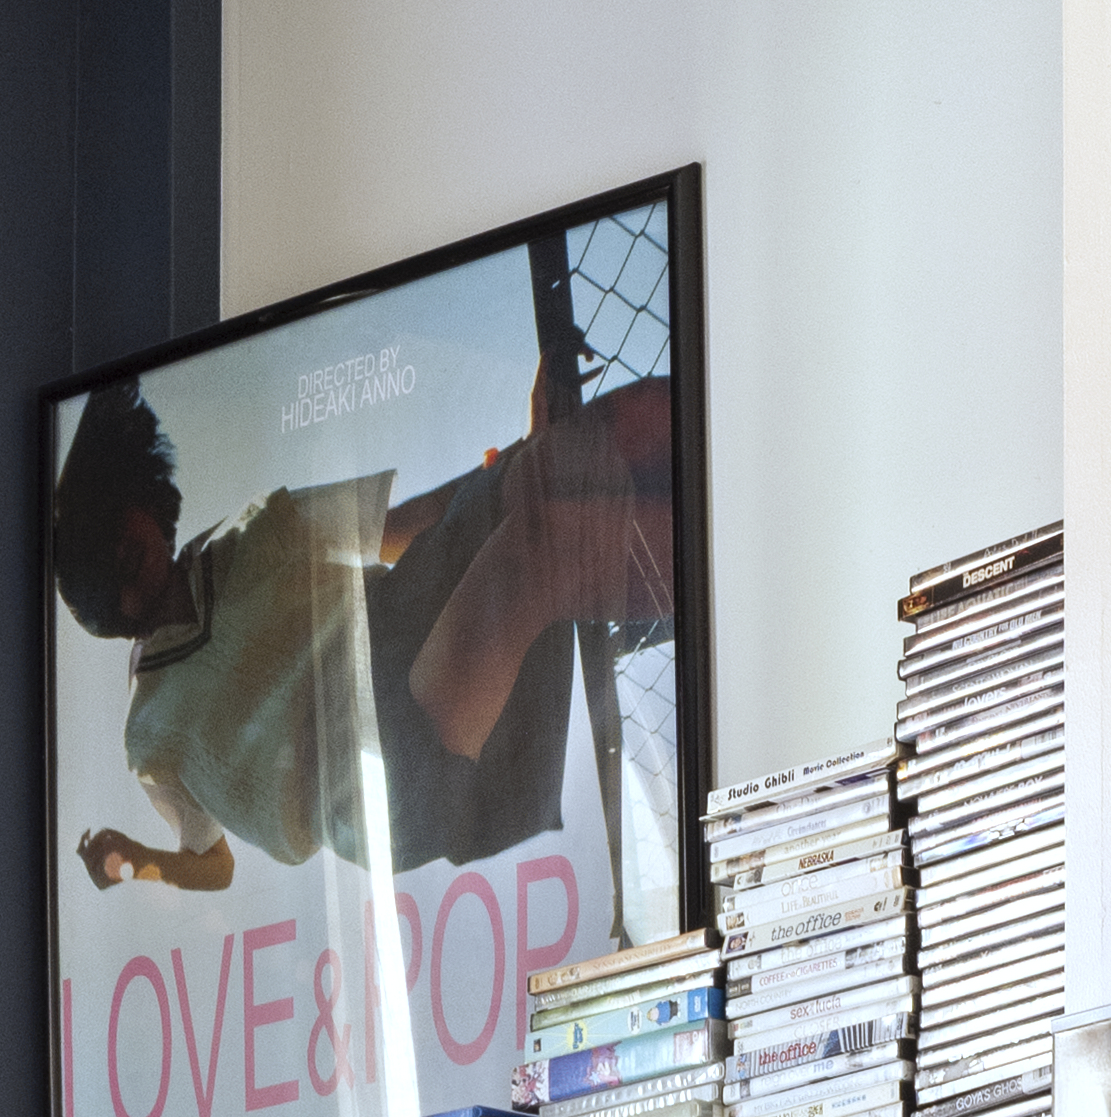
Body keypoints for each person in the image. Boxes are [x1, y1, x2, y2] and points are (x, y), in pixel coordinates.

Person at [53, 346, 682, 896]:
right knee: (541, 546)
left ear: (137, 492)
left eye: (111, 521)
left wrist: (527, 452)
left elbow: (399, 528)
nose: (114, 552)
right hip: (368, 771)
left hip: (403, 619)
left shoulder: (251, 533)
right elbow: (211, 863)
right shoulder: (149, 732)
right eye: (92, 557)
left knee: (575, 454)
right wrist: (138, 863)